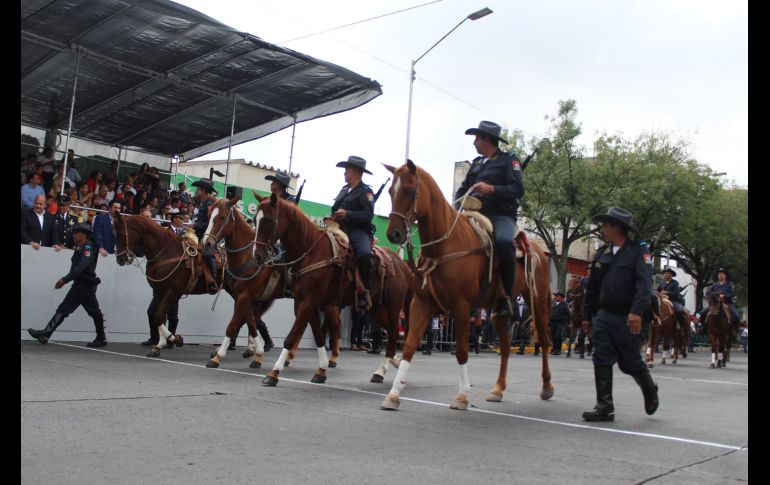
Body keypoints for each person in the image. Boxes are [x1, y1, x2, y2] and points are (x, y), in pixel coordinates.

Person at [581, 207, 659, 422]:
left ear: (616, 227)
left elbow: (644, 284)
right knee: (601, 357)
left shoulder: (638, 252)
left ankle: (650, 388)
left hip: (628, 316)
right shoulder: (602, 253)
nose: (602, 229)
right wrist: (586, 317)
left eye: (605, 225)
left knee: (629, 363)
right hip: (604, 315)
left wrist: (636, 312)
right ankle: (605, 407)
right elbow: (592, 289)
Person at [454, 121, 523, 317]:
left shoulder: (509, 160)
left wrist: (491, 189)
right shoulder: (476, 163)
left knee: (503, 242)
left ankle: (506, 296)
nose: (474, 143)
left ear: (487, 139)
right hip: (474, 213)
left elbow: (518, 189)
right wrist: (456, 208)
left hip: (501, 215)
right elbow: (462, 190)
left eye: (477, 138)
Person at [27, 223, 107, 347]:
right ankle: (46, 334)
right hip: (79, 284)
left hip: (86, 285)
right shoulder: (81, 247)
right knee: (64, 309)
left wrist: (65, 280)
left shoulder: (88, 248)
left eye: (77, 233)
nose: (74, 235)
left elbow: (81, 267)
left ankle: (101, 338)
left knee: (94, 311)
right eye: (74, 233)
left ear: (84, 235)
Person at [330, 156, 375, 312]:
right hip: (338, 229)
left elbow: (368, 215)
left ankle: (364, 292)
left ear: (355, 172)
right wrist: (333, 215)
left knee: (365, 254)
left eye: (347, 169)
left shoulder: (366, 191)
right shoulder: (344, 190)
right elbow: (334, 208)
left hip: (357, 231)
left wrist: (347, 215)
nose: (344, 172)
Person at [191, 178, 219, 294]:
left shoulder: (210, 203)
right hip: (199, 234)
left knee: (207, 253)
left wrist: (195, 225)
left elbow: (210, 223)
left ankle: (213, 280)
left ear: (203, 190)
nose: (197, 191)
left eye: (198, 189)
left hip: (208, 237)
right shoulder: (204, 202)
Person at [698, 268, 740, 334]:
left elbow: (732, 294)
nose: (720, 275)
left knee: (736, 315)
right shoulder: (714, 285)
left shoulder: (729, 284)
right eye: (719, 274)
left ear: (725, 276)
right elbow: (708, 293)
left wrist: (724, 296)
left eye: (722, 274)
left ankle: (735, 331)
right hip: (714, 304)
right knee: (702, 313)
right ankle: (703, 327)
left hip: (726, 303)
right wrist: (710, 297)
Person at [549, 290, 570, 356]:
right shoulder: (553, 304)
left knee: (557, 336)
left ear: (561, 297)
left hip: (560, 323)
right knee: (553, 336)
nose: (555, 297)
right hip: (552, 322)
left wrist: (568, 322)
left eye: (557, 296)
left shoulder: (564, 305)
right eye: (555, 296)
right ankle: (554, 348)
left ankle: (558, 349)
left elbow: (568, 314)